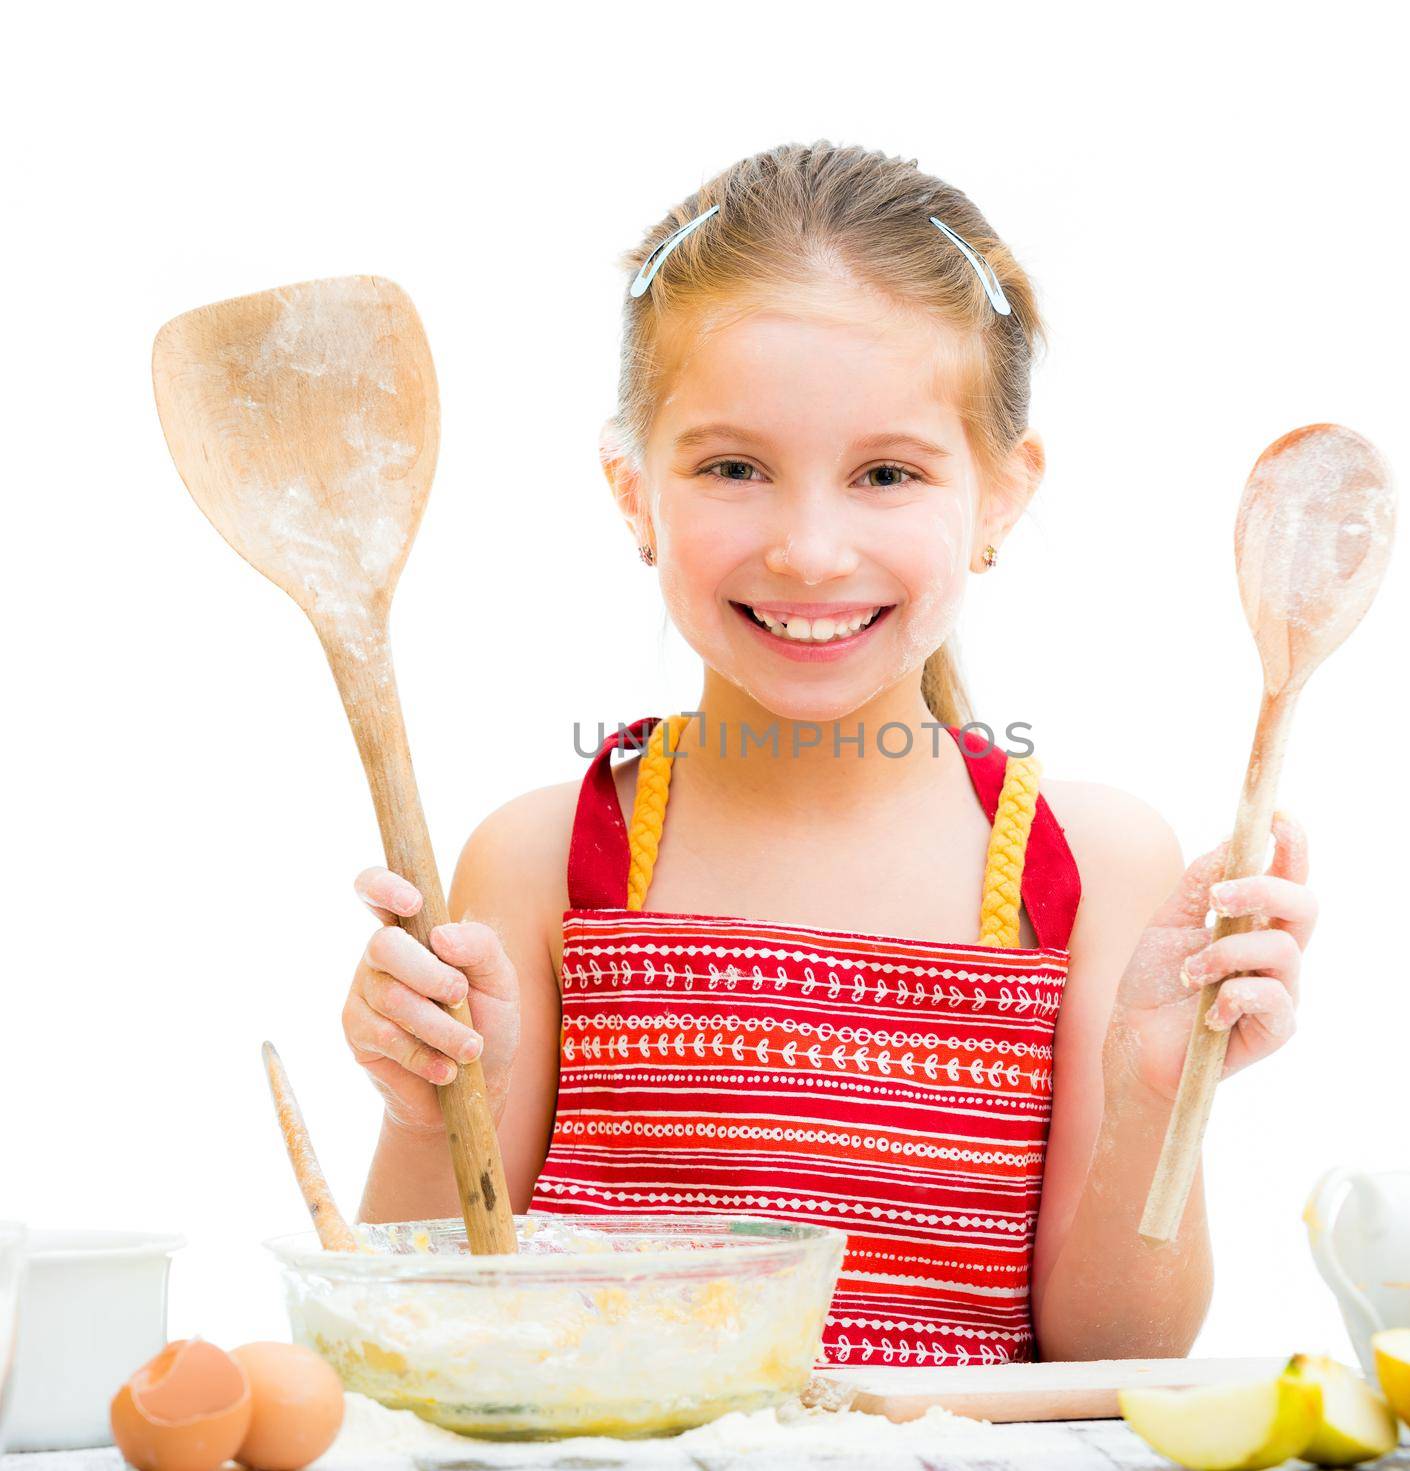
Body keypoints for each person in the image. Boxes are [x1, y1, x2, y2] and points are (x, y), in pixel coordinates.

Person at [342, 141, 1316, 1365]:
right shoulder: (550, 861)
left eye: (886, 473)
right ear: (633, 489)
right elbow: (421, 1338)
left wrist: (1155, 1101)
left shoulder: (1088, 867)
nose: (809, 549)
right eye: (733, 467)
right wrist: (425, 1115)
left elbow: (1112, 1359)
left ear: (1003, 495)